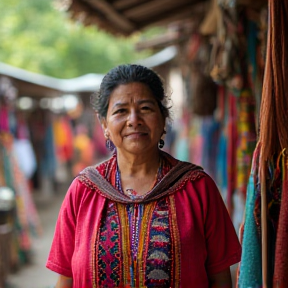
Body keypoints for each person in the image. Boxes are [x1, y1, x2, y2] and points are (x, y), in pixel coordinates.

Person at [46, 64, 241, 288]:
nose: (133, 119)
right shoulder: (83, 190)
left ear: (163, 118)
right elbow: (66, 279)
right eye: (120, 111)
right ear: (104, 125)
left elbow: (220, 278)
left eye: (146, 108)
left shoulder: (198, 188)